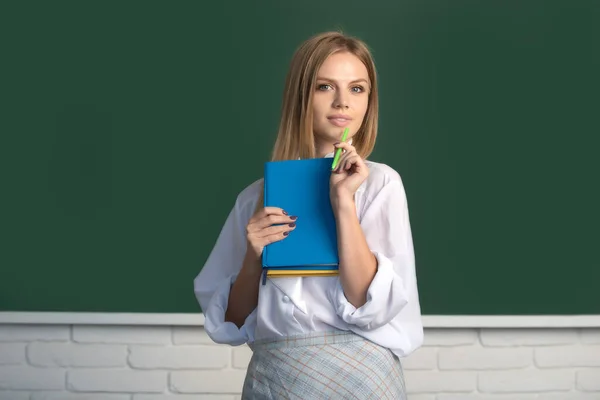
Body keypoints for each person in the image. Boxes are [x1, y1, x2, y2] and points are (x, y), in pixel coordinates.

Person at [194, 31, 423, 399]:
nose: (343, 102)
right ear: (301, 95)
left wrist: (343, 204)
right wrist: (254, 256)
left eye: (358, 89)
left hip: (362, 380)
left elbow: (368, 303)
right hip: (275, 380)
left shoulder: (380, 184)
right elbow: (232, 323)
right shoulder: (255, 198)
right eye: (324, 86)